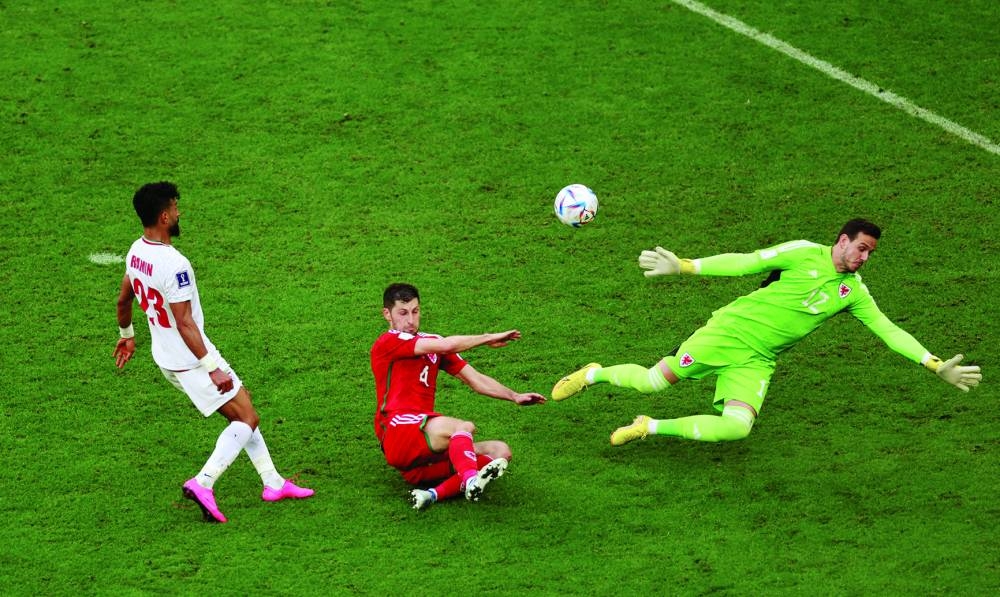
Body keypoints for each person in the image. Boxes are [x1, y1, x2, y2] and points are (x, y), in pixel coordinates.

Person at [552, 219, 982, 446]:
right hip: (729, 333)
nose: (865, 258)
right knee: (652, 381)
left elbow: (888, 330)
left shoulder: (853, 292)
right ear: (842, 240)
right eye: (862, 248)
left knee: (737, 427)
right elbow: (745, 262)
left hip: (758, 359)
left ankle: (649, 427)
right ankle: (592, 374)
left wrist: (934, 363)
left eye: (871, 253)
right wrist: (685, 266)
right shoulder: (802, 254)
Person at [113, 181, 313, 523]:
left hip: (167, 358)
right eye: (175, 208)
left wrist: (127, 335)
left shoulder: (135, 251)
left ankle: (272, 482)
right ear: (164, 216)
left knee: (242, 405)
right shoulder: (174, 265)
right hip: (191, 358)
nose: (179, 213)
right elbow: (185, 322)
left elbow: (123, 298)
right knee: (247, 418)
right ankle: (203, 483)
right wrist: (211, 367)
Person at [371, 283, 546, 510]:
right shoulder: (388, 342)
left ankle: (430, 495)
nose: (411, 321)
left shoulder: (432, 344)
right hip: (397, 430)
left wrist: (514, 396)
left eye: (415, 311)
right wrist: (488, 337)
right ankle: (471, 479)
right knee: (463, 427)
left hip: (421, 452)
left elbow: (475, 379)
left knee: (499, 453)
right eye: (403, 313)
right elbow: (448, 344)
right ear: (387, 314)